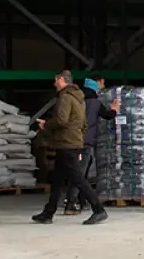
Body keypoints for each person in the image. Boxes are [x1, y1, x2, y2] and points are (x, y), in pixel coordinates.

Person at [32, 70, 107, 225]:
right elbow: (83, 123)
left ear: (61, 79)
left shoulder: (65, 97)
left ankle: (99, 209)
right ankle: (48, 213)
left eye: (55, 80)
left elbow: (61, 120)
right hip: (69, 142)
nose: (54, 84)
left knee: (78, 179)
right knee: (57, 180)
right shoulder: (79, 98)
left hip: (66, 143)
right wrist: (79, 141)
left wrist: (46, 125)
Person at [64, 75, 120, 215]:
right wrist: (114, 109)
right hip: (85, 142)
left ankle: (81, 201)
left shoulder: (78, 100)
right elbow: (107, 115)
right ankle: (70, 203)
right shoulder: (94, 102)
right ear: (98, 83)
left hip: (74, 140)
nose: (103, 86)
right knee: (80, 174)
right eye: (102, 83)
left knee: (82, 171)